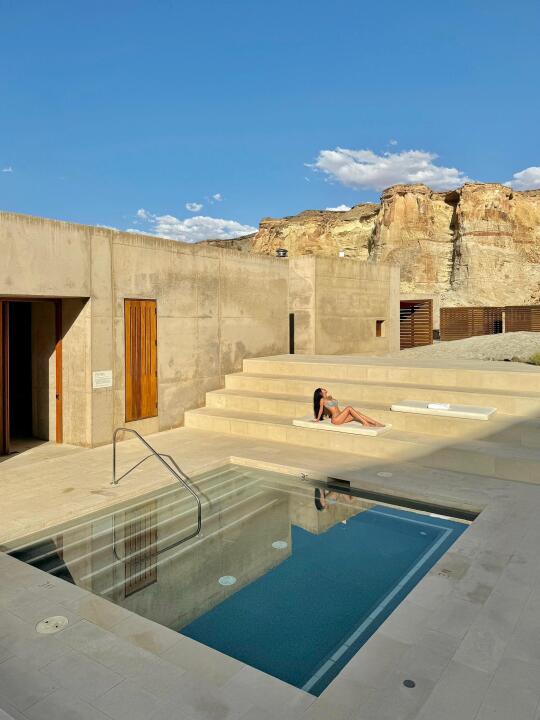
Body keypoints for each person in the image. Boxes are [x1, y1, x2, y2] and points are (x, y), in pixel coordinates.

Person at [312, 387, 384, 427]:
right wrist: (318, 419)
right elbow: (321, 409)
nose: (324, 388)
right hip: (336, 419)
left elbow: (334, 408)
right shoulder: (322, 400)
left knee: (356, 413)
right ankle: (365, 423)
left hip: (340, 417)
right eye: (322, 389)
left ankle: (375, 423)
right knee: (349, 408)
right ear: (320, 392)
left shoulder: (330, 397)